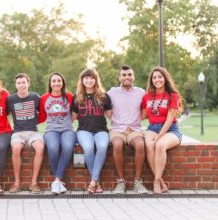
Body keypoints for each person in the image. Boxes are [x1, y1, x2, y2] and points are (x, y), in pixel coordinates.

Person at [107, 65, 148, 194]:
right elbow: (106, 109)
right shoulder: (112, 92)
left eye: (129, 74)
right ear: (119, 78)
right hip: (117, 129)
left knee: (141, 145)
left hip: (134, 129)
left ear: (133, 77)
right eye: (124, 75)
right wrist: (115, 118)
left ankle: (137, 182)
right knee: (117, 145)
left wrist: (136, 120)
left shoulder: (141, 92)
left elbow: (145, 111)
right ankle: (121, 182)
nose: (127, 77)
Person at [141, 66, 183, 194]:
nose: (157, 79)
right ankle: (161, 182)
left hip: (170, 129)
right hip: (152, 127)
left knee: (159, 145)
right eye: (154, 77)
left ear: (165, 78)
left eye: (160, 77)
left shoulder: (172, 95)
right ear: (151, 80)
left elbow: (170, 119)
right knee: (149, 145)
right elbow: (142, 116)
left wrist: (159, 136)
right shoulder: (147, 96)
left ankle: (156, 181)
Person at [72, 68, 111, 194]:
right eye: (86, 78)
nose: (89, 80)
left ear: (96, 80)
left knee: (102, 146)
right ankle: (96, 182)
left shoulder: (103, 96)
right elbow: (72, 117)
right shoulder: (77, 97)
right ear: (82, 80)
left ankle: (93, 182)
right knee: (88, 148)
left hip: (101, 130)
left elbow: (112, 115)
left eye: (92, 78)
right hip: (84, 130)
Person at [39, 72, 76, 194]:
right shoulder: (44, 98)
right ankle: (58, 181)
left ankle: (56, 180)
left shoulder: (70, 96)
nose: (56, 83)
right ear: (50, 83)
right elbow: (42, 117)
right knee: (53, 147)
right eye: (53, 81)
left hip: (67, 129)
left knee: (68, 147)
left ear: (63, 83)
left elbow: (75, 114)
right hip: (51, 130)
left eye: (59, 81)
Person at [6, 73, 44, 194]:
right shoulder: (10, 99)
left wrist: (35, 121)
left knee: (40, 147)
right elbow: (4, 114)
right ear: (16, 85)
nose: (21, 85)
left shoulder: (35, 97)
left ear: (28, 83)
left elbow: (42, 113)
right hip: (18, 132)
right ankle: (17, 183)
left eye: (24, 82)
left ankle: (34, 183)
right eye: (19, 83)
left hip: (33, 131)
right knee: (16, 148)